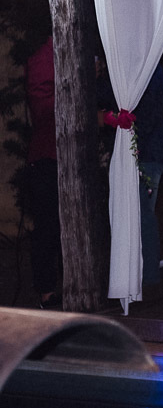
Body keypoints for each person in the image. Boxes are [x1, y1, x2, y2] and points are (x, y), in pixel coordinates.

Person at [99, 60, 163, 287]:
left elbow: (148, 112)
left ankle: (147, 277)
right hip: (144, 149)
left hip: (147, 151)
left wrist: (117, 123)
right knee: (139, 214)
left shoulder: (146, 67)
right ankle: (141, 274)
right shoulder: (135, 66)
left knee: (141, 214)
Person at [23, 34, 60, 309]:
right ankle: (47, 290)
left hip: (66, 158)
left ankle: (59, 284)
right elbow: (43, 107)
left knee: (59, 227)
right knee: (47, 227)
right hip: (47, 158)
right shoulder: (41, 59)